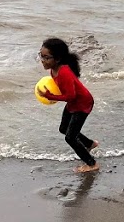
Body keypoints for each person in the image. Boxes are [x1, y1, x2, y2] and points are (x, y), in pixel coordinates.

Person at [39, 37, 99, 172]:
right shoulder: (53, 70)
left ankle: (92, 164)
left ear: (58, 59)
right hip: (74, 103)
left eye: (46, 57)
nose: (43, 60)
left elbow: (70, 95)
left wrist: (50, 96)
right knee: (63, 128)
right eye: (41, 56)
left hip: (83, 104)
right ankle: (90, 144)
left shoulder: (64, 72)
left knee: (70, 138)